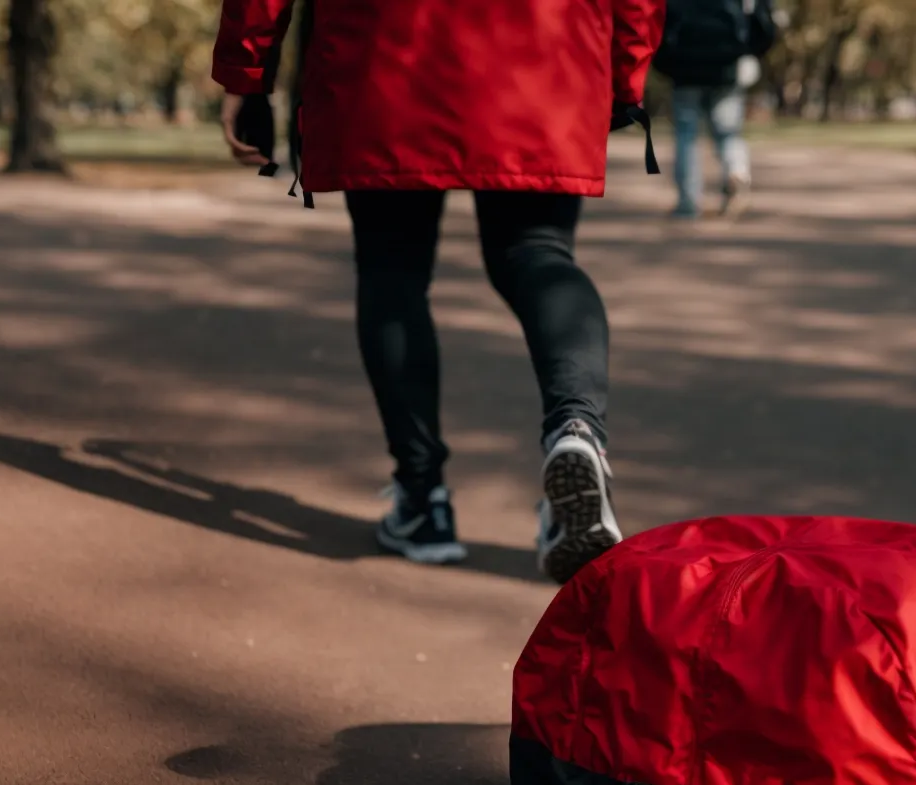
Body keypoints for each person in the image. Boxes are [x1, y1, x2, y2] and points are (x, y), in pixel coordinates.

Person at [212, 0, 664, 584]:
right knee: (538, 253)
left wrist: (247, 74)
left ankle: (423, 503)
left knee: (391, 270)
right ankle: (577, 432)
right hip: (544, 46)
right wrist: (625, 72)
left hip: (387, 47)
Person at [655, 0, 776, 219]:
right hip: (726, 66)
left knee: (686, 135)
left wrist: (666, 63)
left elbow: (660, 22)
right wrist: (746, 52)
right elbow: (761, 22)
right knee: (727, 133)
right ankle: (736, 170)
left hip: (686, 69)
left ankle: (688, 202)